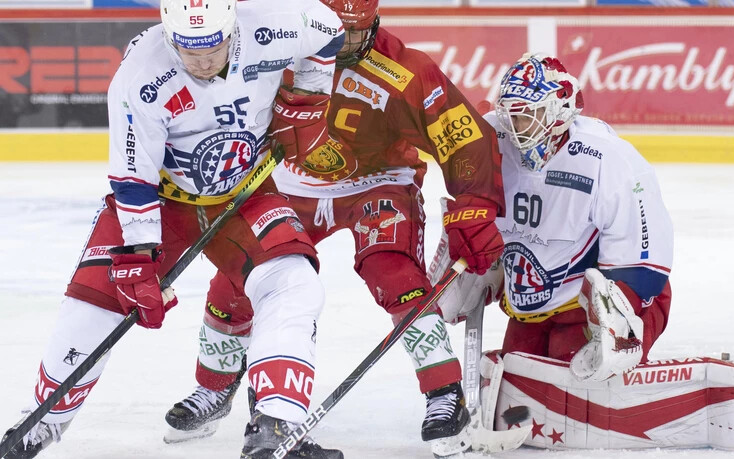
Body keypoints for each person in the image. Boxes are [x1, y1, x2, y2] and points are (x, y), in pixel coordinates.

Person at [2, 1, 346, 458]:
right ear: (168, 32)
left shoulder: (274, 24)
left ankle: (276, 423)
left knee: (294, 283)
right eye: (188, 49)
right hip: (162, 202)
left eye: (213, 47)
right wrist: (138, 258)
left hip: (244, 193)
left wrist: (308, 99)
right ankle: (40, 421)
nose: (202, 61)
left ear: (232, 27)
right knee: (95, 299)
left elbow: (331, 32)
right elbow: (132, 177)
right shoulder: (141, 74)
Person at [161, 0, 505, 455]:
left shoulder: (407, 71)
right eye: (330, 30)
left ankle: (444, 394)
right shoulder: (277, 45)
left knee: (393, 272)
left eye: (352, 33)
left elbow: (465, 138)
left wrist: (474, 206)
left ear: (374, 23)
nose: (337, 43)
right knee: (237, 281)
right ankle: (215, 386)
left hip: (377, 185)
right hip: (288, 184)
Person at [431, 53, 734, 452]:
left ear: (558, 111)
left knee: (585, 397)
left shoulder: (607, 160)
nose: (515, 127)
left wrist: (616, 327)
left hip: (606, 302)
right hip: (533, 304)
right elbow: (473, 206)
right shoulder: (492, 140)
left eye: (527, 115)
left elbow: (644, 258)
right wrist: (477, 263)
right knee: (524, 387)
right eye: (510, 114)